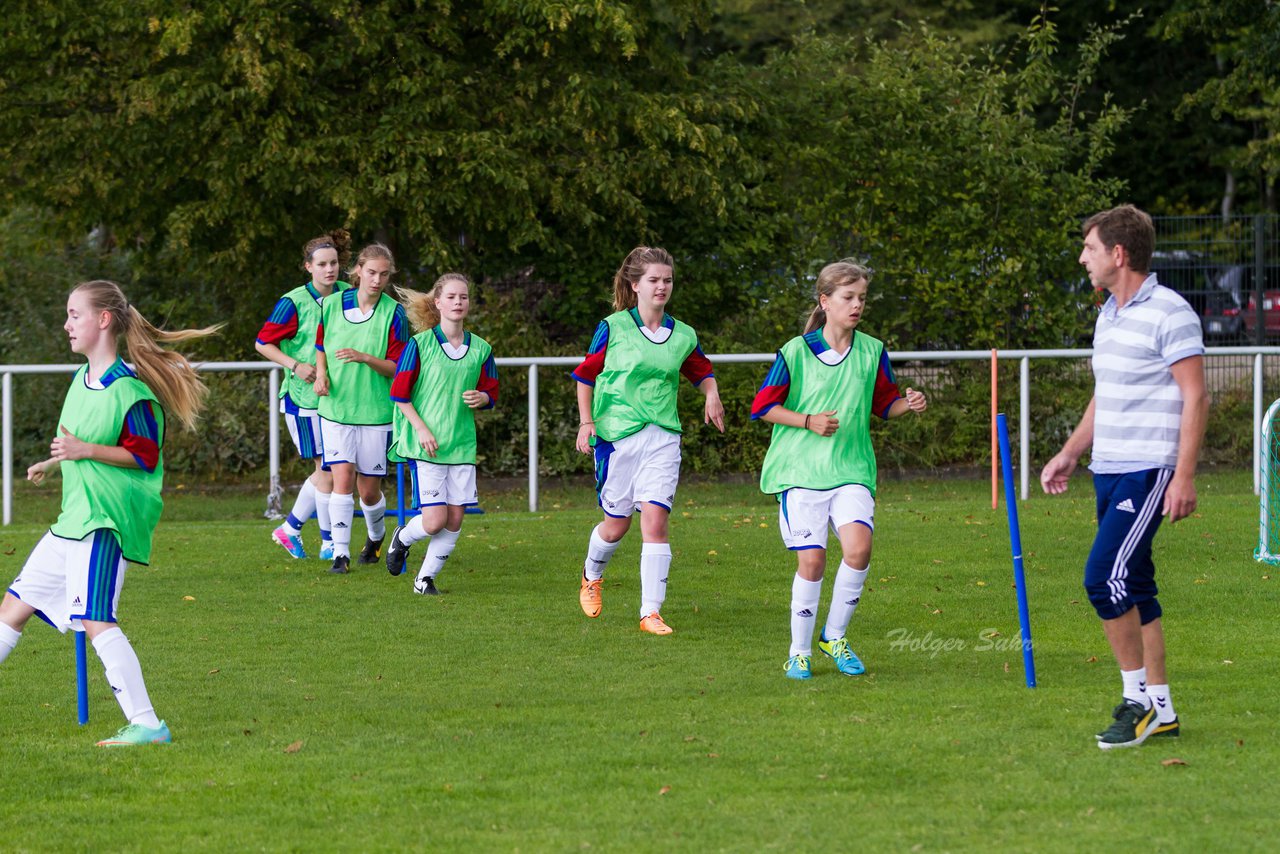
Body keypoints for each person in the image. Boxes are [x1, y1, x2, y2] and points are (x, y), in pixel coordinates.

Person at [0, 280, 219, 746]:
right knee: (12, 610)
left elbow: (144, 456)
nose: (66, 324)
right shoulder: (81, 380)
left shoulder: (130, 389)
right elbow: (79, 444)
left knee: (98, 619)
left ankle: (147, 724)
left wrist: (83, 450)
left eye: (74, 314)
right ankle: (145, 724)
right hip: (73, 520)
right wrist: (56, 459)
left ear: (103, 320)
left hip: (106, 522)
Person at [1041, 204, 1207, 750]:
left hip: (1149, 468)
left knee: (1102, 578)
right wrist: (1070, 452)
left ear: (1118, 253)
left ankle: (1136, 702)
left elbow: (1195, 395)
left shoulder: (1170, 312)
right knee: (1135, 585)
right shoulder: (1108, 313)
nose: (1082, 257)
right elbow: (1105, 395)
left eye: (1089, 247)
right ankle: (1163, 710)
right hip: (1108, 468)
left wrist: (1183, 477)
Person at [751, 260, 927, 680]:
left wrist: (909, 403)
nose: (857, 305)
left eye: (862, 297)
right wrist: (808, 419)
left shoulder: (872, 350)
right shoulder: (795, 351)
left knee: (859, 550)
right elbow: (763, 408)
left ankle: (835, 636)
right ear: (825, 301)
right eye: (848, 297)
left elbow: (884, 404)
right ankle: (799, 651)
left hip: (851, 469)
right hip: (800, 473)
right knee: (812, 562)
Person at [572, 246, 725, 635]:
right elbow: (586, 376)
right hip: (617, 438)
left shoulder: (683, 334)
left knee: (655, 521)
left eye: (667, 280)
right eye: (654, 280)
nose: (662, 287)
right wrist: (586, 422)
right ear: (635, 284)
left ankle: (650, 612)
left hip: (663, 437)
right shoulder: (613, 327)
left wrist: (711, 393)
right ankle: (591, 576)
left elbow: (700, 370)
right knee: (616, 526)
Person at [384, 274, 499, 595]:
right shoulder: (419, 345)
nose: (458, 302)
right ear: (437, 302)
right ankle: (402, 538)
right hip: (428, 444)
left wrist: (483, 398)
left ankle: (424, 580)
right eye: (451, 297)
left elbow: (491, 390)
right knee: (434, 520)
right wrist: (421, 429)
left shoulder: (481, 348)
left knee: (455, 519)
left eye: (463, 297)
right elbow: (399, 393)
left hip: (461, 443)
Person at [254, 230, 352, 562]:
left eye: (334, 263)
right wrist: (295, 365)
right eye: (322, 264)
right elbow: (261, 342)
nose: (330, 269)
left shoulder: (346, 294)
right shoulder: (292, 302)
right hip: (304, 400)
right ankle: (327, 542)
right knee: (327, 468)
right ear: (308, 267)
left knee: (332, 468)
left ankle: (292, 528)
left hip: (339, 399)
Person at [313, 243, 408, 574]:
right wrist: (321, 375)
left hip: (375, 412)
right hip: (336, 409)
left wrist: (365, 357)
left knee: (368, 493)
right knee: (342, 478)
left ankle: (376, 536)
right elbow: (321, 345)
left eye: (384, 274)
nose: (377, 279)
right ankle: (340, 555)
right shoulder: (331, 304)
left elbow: (397, 367)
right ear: (357, 271)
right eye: (371, 272)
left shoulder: (394, 314)